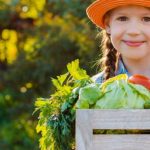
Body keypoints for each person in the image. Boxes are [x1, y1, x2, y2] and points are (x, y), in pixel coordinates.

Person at [86, 0, 150, 84]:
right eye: (122, 18)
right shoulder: (93, 87)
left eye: (147, 19)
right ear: (108, 25)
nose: (133, 31)